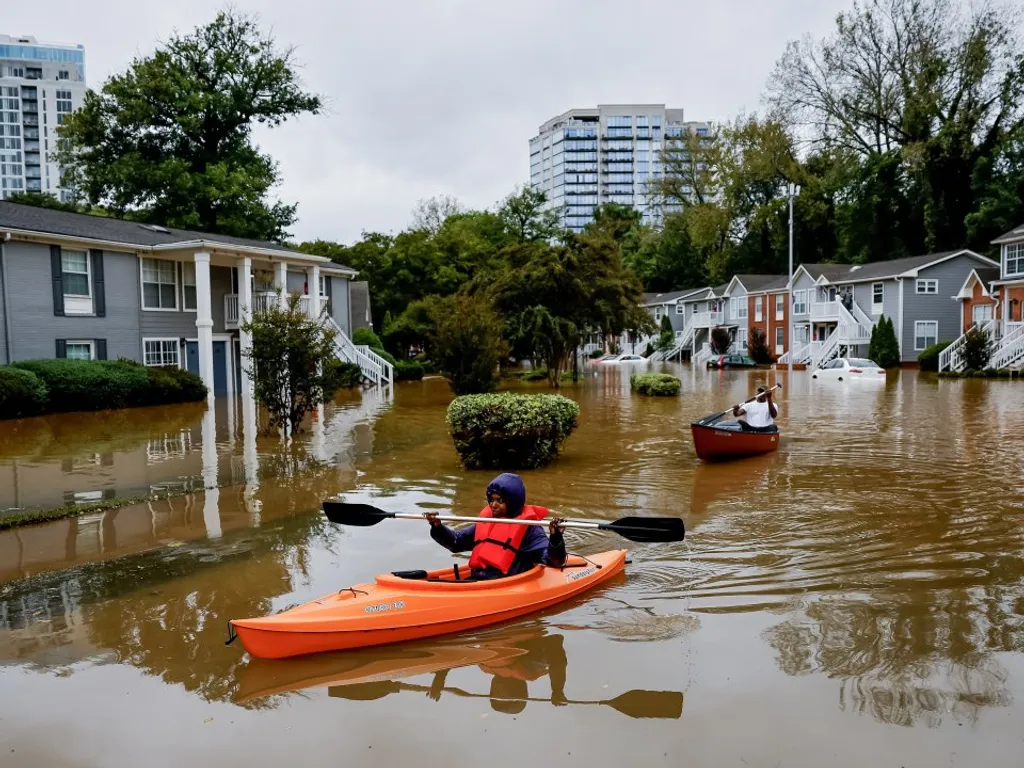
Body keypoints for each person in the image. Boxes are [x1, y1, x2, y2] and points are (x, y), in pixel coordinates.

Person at [425, 473, 567, 580]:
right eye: (491, 499)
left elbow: (553, 561)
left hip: (507, 583)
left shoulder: (528, 527)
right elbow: (456, 542)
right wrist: (438, 527)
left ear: (513, 502)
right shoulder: (488, 521)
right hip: (479, 580)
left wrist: (555, 537)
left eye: (500, 500)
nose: (493, 504)